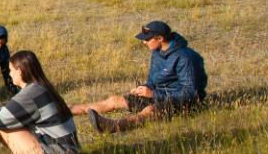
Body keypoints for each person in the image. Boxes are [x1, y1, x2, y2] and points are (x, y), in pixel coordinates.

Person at [72, 20, 207, 133]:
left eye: (147, 39)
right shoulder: (157, 51)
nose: (144, 42)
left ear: (160, 38)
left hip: (182, 102)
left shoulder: (185, 58)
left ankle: (112, 126)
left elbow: (190, 92)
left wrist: (154, 94)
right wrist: (144, 88)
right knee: (115, 100)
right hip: (156, 94)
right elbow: (153, 79)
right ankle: (69, 110)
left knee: (149, 111)